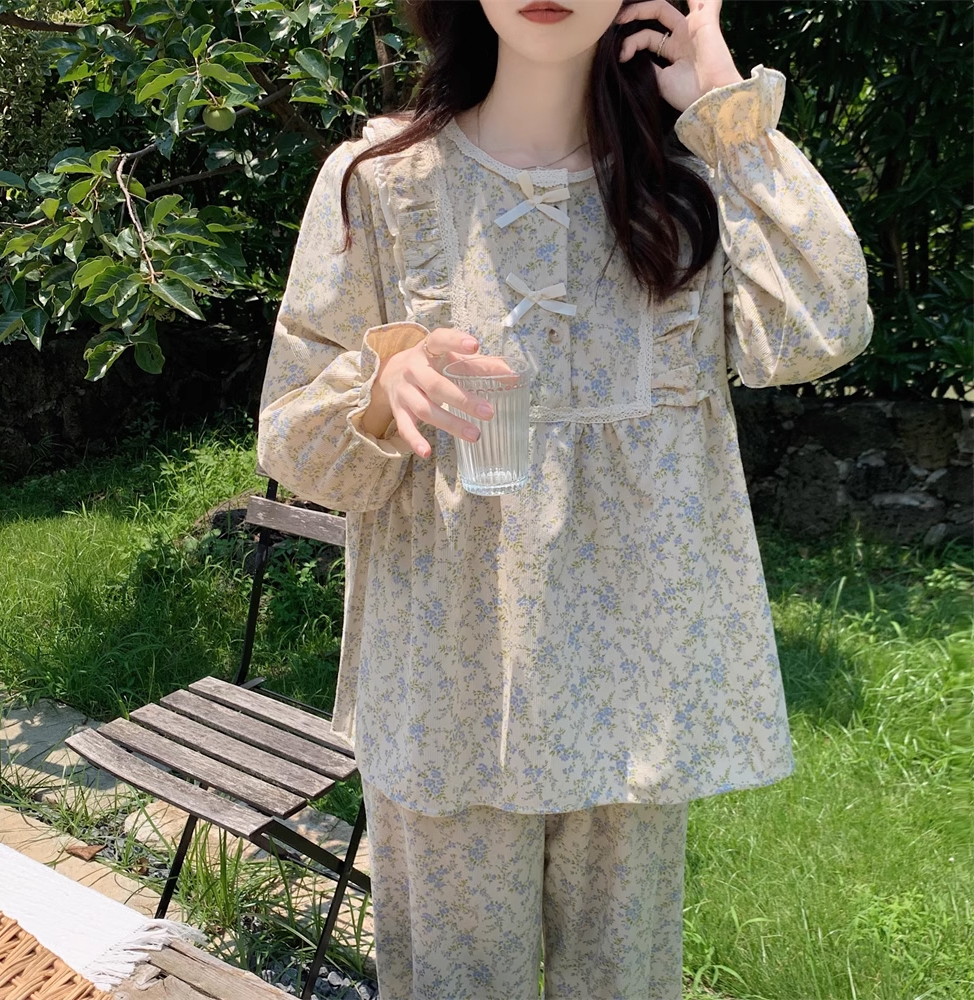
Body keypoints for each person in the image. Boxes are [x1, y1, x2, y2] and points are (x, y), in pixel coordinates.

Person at [257, 1, 872, 996]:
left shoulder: (686, 185)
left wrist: (724, 111)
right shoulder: (380, 182)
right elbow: (295, 443)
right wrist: (379, 388)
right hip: (448, 696)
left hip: (635, 697)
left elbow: (822, 326)